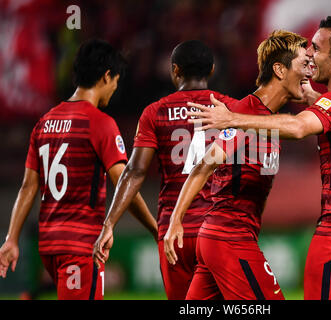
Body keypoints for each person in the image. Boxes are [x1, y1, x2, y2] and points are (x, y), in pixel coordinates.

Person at [187, 16, 331, 300]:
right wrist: (312, 98)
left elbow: (298, 128)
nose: (311, 56)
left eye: (318, 49)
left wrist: (231, 118)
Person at [0, 39, 158, 300]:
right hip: (81, 244)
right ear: (107, 76)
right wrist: (155, 229)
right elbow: (124, 184)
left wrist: (12, 238)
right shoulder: (100, 123)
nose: (115, 89)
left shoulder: (45, 122)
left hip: (49, 244)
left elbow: (28, 186)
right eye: (116, 81)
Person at [164, 30, 313, 300]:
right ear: (279, 70)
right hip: (229, 238)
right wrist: (176, 221)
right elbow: (204, 166)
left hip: (224, 238)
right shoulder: (245, 113)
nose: (309, 72)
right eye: (303, 64)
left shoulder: (268, 121)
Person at [92, 40, 237, 300]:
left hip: (174, 231)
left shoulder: (155, 112)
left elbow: (134, 172)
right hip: (219, 231)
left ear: (175, 71)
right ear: (212, 70)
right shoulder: (232, 110)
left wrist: (109, 224)